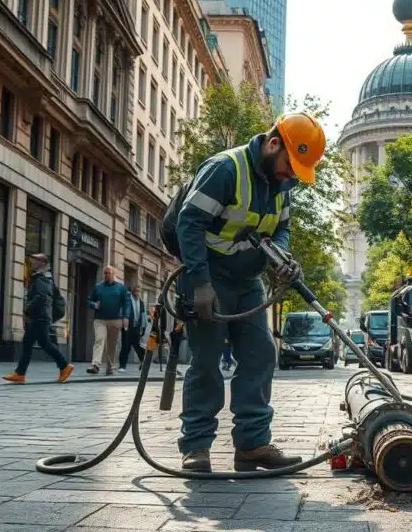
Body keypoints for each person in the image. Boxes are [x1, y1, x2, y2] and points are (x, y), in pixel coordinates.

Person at [174, 112, 325, 472]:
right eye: (290, 166)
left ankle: (252, 445)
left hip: (248, 282)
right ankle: (196, 447)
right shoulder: (226, 170)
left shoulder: (282, 185)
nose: (291, 176)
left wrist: (281, 253)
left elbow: (282, 228)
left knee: (260, 356)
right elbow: (189, 223)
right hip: (209, 277)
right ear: (274, 145)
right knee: (207, 361)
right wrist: (199, 283)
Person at [3, 254, 73, 383]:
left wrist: (27, 309)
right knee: (29, 344)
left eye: (34, 260)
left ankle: (64, 365)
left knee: (43, 343)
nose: (31, 262)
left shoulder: (42, 277)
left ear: (42, 262)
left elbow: (41, 297)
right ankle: (20, 374)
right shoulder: (41, 276)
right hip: (39, 316)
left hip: (40, 316)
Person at [87, 266, 129, 376]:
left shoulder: (120, 287)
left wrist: (125, 316)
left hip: (115, 320)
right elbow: (89, 300)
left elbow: (126, 303)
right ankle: (95, 365)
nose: (106, 275)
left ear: (113, 274)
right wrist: (94, 304)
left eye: (109, 273)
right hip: (100, 319)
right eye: (105, 273)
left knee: (112, 344)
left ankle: (110, 367)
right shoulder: (98, 287)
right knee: (99, 340)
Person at [119, 287, 149, 371]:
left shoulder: (141, 302)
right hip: (127, 327)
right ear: (132, 292)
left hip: (136, 328)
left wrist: (143, 327)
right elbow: (123, 311)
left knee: (138, 347)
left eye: (138, 291)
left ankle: (144, 363)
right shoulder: (127, 301)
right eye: (135, 291)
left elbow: (143, 316)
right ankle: (122, 366)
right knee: (125, 346)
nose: (137, 292)